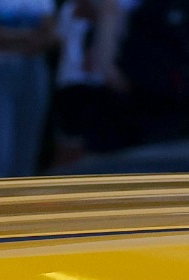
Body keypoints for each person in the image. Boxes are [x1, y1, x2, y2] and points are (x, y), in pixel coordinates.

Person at [0, 0, 57, 177]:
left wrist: (12, 38)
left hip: (34, 70)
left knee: (27, 147)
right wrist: (30, 36)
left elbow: (50, 35)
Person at [50, 0, 133, 167]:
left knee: (95, 146)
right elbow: (59, 39)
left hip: (99, 84)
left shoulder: (113, 9)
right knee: (69, 143)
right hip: (72, 81)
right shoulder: (69, 8)